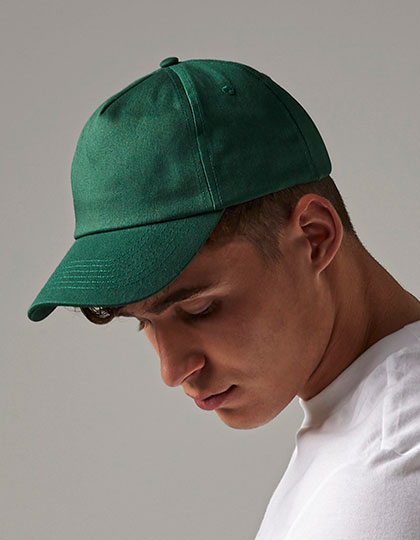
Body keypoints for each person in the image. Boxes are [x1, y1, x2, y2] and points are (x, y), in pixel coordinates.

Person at [27, 56, 420, 539]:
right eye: (143, 321)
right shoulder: (363, 424)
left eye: (199, 308)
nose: (172, 371)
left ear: (314, 237)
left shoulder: (388, 473)